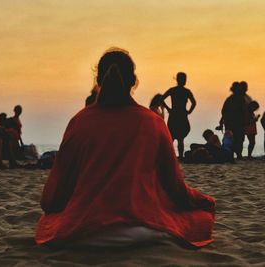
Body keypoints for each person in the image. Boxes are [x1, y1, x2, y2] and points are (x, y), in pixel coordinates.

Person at [35, 48, 215, 248]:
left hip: (84, 232)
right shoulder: (153, 123)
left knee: (48, 220)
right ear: (133, 81)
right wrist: (203, 200)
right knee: (201, 217)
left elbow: (51, 199)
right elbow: (176, 191)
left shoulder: (79, 122)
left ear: (98, 81)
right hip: (145, 230)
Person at [161, 72, 196, 159]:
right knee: (179, 138)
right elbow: (194, 103)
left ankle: (171, 156)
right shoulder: (186, 91)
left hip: (175, 115)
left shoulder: (173, 90)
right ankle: (177, 156)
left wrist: (169, 109)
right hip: (180, 115)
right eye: (183, 79)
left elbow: (161, 99)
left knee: (173, 138)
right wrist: (189, 111)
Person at [220, 82, 246, 159]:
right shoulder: (241, 99)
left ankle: (232, 154)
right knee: (239, 139)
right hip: (237, 123)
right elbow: (243, 111)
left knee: (232, 139)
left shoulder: (229, 99)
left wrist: (222, 120)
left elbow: (223, 111)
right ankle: (238, 155)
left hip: (230, 123)